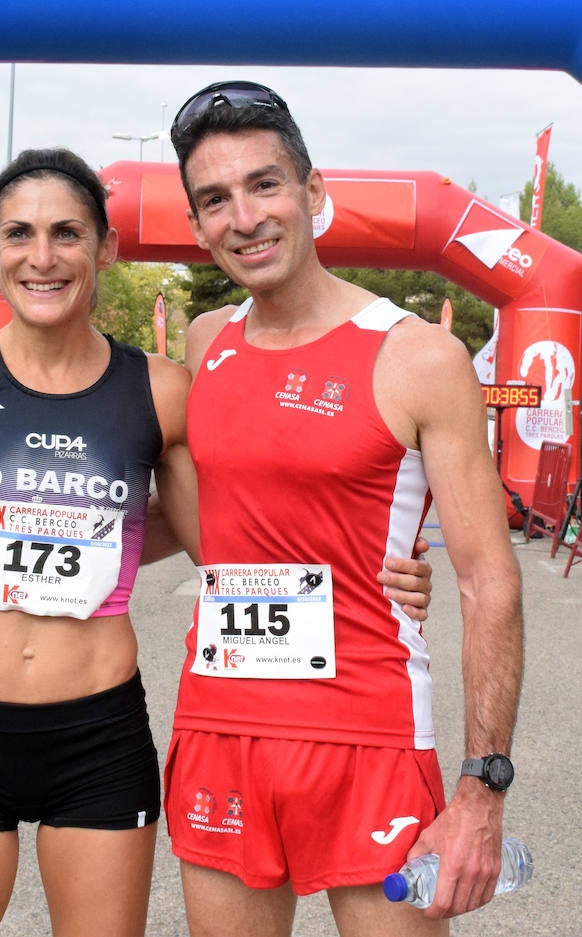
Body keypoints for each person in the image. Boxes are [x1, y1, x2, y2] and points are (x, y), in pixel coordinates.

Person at [0, 147, 433, 937]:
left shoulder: (161, 389)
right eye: (18, 234)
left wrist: (375, 570)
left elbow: (231, 533)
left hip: (99, 741)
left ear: (106, 248)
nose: (41, 257)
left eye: (67, 234)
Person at [163, 80, 524, 934]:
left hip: (369, 732)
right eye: (215, 199)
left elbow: (490, 584)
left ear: (313, 193)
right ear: (196, 224)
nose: (243, 217)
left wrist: (483, 789)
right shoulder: (205, 342)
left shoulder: (419, 357)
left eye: (264, 185)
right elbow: (200, 512)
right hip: (220, 725)